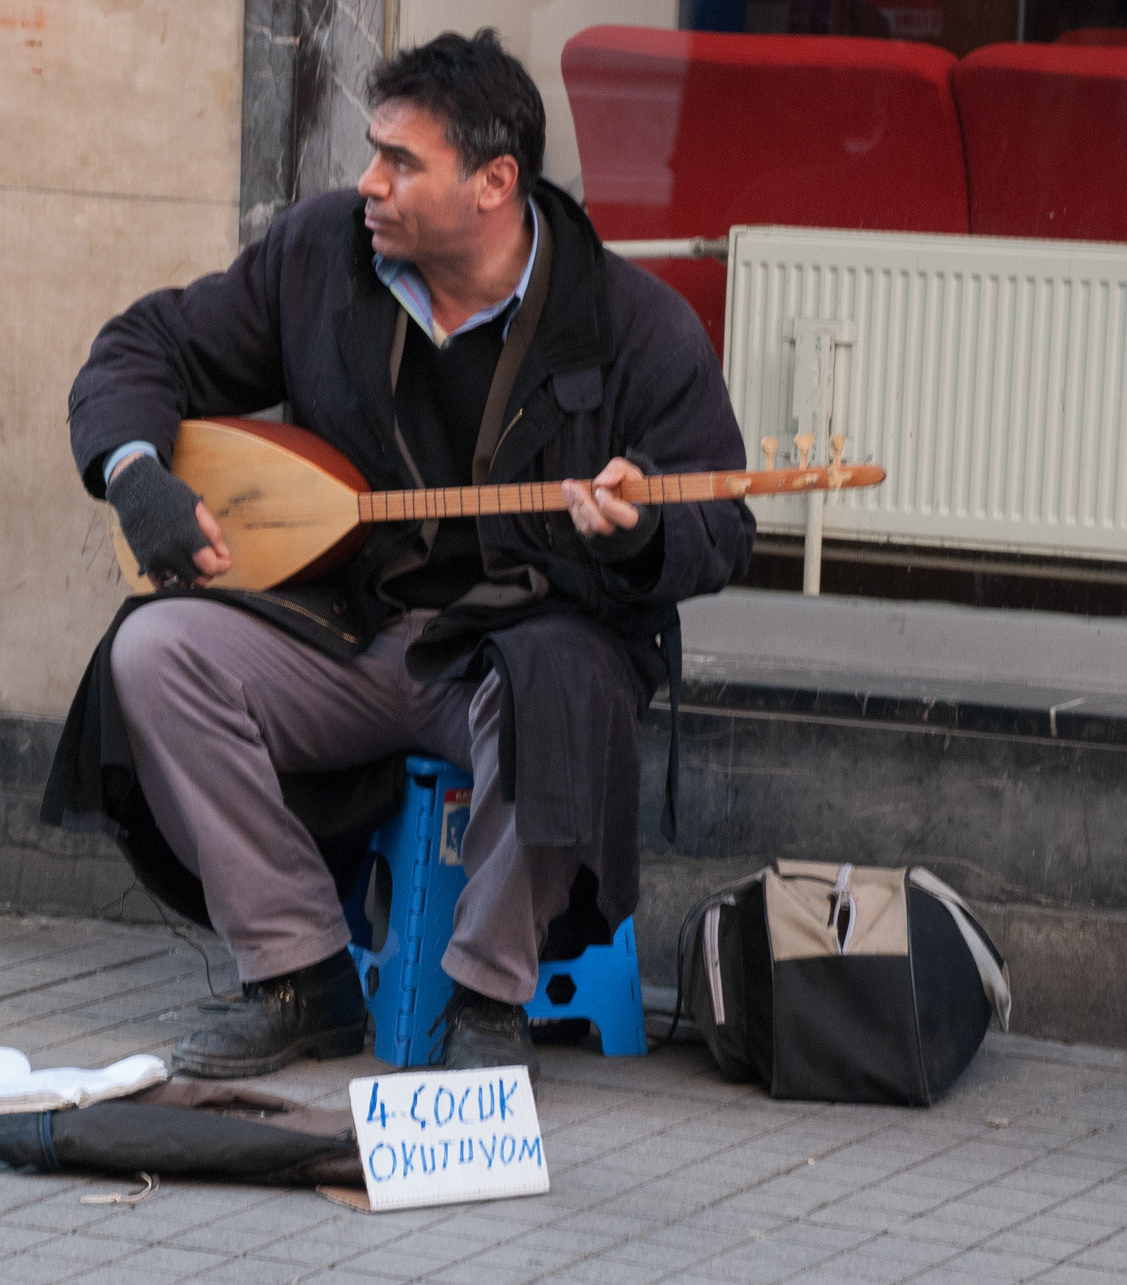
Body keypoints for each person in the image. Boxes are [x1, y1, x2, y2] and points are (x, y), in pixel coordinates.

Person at [56, 29, 754, 1080]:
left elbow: (724, 522)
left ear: (493, 183)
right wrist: (135, 470)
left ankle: (482, 1001)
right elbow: (146, 345)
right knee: (156, 653)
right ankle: (300, 974)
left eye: (400, 163)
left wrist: (646, 526)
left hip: (514, 650)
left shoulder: (629, 325)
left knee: (556, 682)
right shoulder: (322, 256)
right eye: (373, 153)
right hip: (351, 630)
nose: (367, 184)